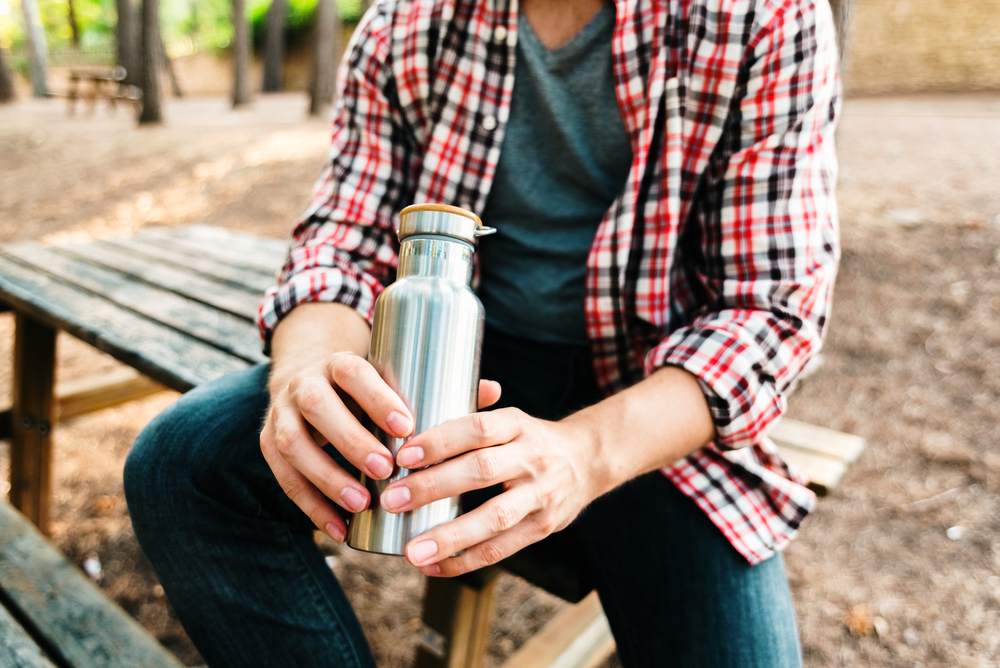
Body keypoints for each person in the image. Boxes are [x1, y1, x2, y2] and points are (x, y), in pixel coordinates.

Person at [124, 0, 840, 665]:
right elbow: (341, 244)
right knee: (183, 462)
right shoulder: (405, 19)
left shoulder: (763, 16)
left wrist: (583, 454)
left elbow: (770, 312)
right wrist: (309, 373)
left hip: (649, 400)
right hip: (445, 365)